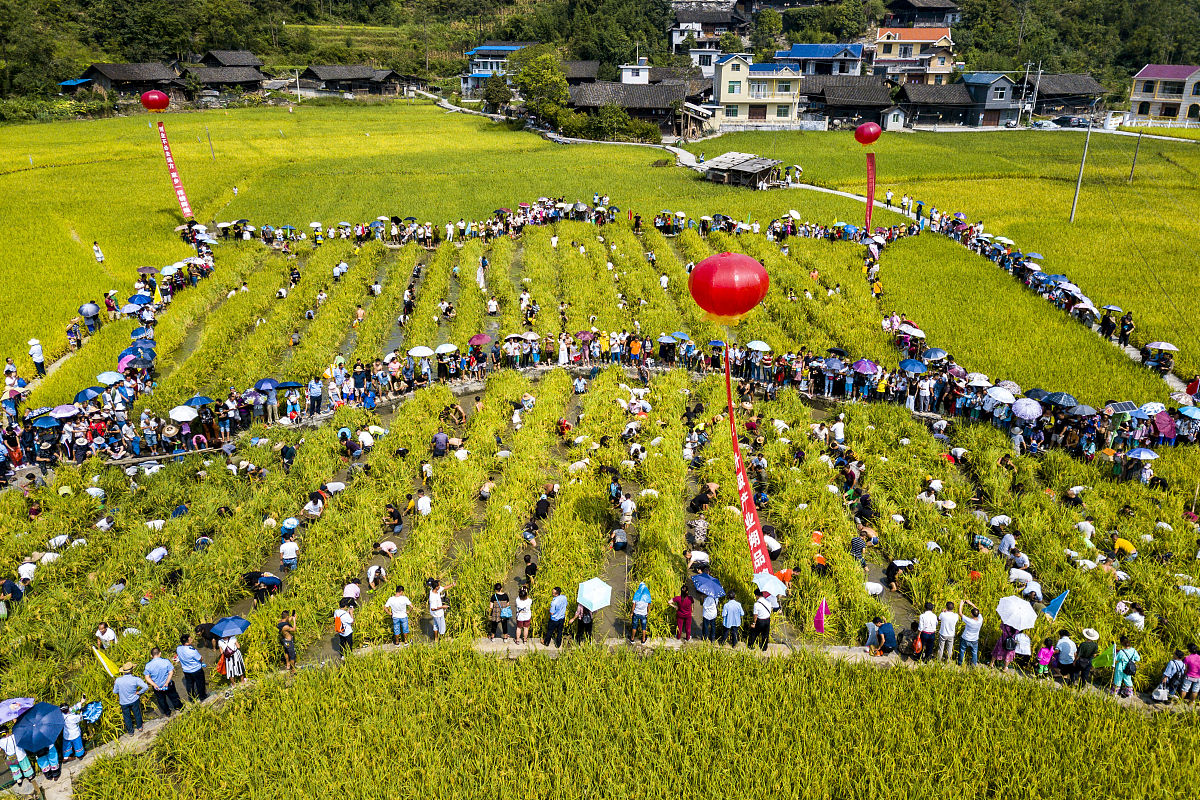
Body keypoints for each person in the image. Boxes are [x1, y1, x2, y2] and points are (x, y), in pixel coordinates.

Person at [144, 647, 183, 717]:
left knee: (161, 700)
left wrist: (154, 685)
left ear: (151, 655)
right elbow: (171, 672)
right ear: (160, 653)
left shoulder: (148, 665)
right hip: (168, 684)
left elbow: (147, 677)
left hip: (157, 687)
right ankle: (179, 708)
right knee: (174, 697)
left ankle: (167, 713)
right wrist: (167, 682)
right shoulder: (166, 661)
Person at [113, 662, 149, 735]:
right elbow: (146, 687)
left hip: (123, 701)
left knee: (127, 717)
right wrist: (139, 692)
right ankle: (139, 727)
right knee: (137, 713)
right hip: (134, 699)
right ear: (131, 670)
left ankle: (130, 732)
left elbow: (115, 691)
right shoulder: (135, 679)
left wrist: (115, 684)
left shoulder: (118, 680)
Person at [176, 634, 207, 702]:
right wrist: (202, 659)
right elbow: (200, 658)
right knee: (200, 684)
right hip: (196, 670)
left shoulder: (178, 648)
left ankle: (192, 698)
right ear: (187, 642)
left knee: (189, 684)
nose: (192, 639)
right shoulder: (192, 651)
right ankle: (202, 697)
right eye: (190, 639)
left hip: (186, 670)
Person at [956, 600, 983, 666]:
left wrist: (961, 605)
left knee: (962, 650)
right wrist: (971, 604)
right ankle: (974, 664)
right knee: (974, 652)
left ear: (971, 614)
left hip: (965, 638)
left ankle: (960, 663)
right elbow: (977, 611)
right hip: (974, 639)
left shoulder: (969, 621)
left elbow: (960, 613)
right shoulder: (980, 620)